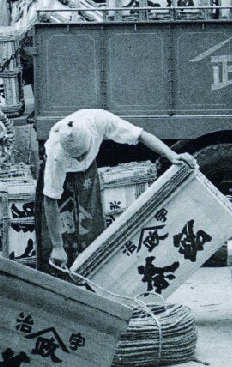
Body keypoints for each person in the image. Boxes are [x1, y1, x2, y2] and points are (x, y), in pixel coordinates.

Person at [38, 108, 197, 271]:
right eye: (75, 157)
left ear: (91, 138)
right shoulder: (56, 155)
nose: (79, 159)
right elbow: (50, 200)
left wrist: (171, 155)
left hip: (87, 176)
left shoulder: (98, 120)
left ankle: (91, 278)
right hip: (64, 179)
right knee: (62, 237)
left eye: (82, 154)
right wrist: (57, 246)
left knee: (91, 229)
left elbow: (139, 135)